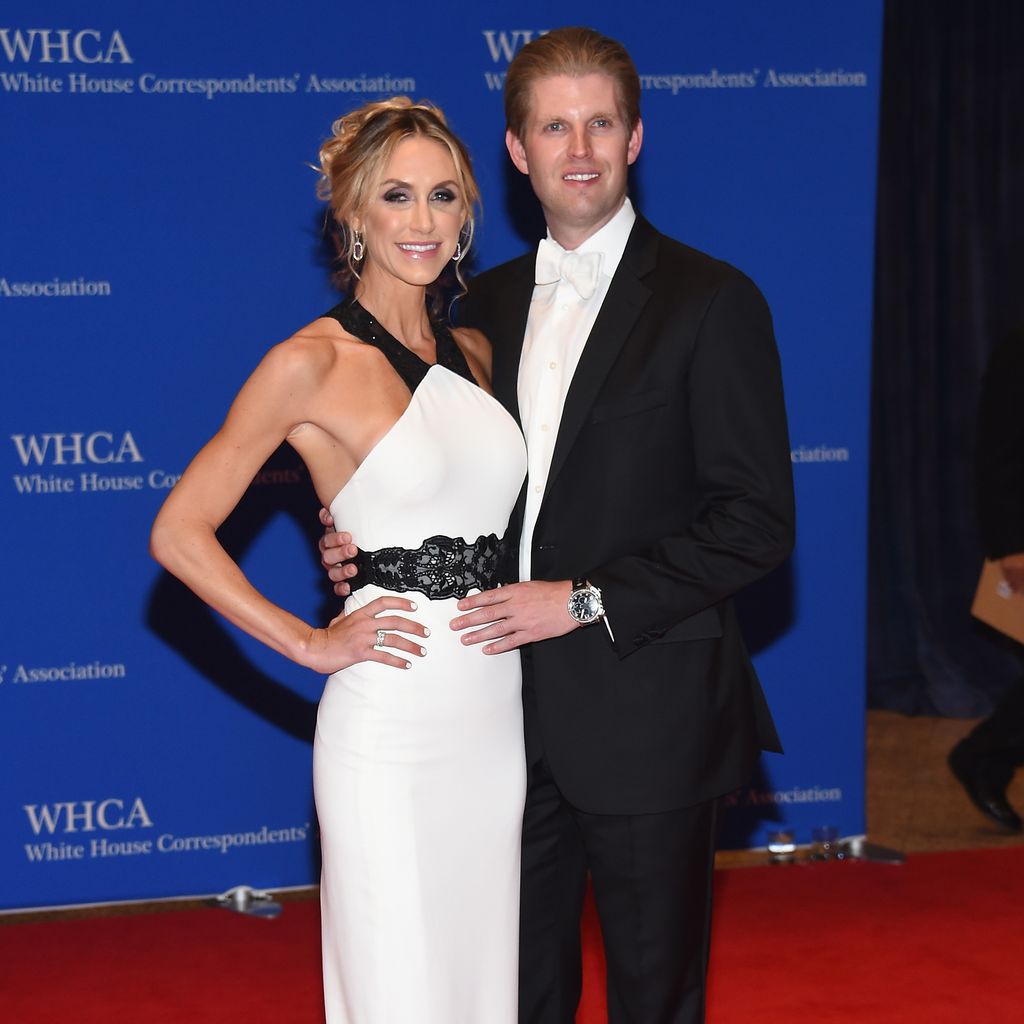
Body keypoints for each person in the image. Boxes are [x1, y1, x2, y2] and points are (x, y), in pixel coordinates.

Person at [322, 27, 795, 1023]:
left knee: (650, 996)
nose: (576, 149)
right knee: (510, 992)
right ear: (515, 150)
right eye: (552, 127)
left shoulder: (713, 301)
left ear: (633, 139)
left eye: (599, 124)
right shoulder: (475, 308)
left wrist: (585, 598)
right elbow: (459, 489)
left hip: (645, 710)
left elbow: (756, 523)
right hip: (488, 716)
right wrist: (373, 548)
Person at [150, 98, 527, 1023]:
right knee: (396, 977)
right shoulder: (306, 364)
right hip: (389, 717)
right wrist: (309, 642)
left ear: (467, 213)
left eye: (443, 196)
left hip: (493, 706)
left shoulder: (476, 355)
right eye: (396, 196)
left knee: (480, 974)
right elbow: (178, 533)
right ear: (353, 215)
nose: (423, 220)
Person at [948, 325, 1024, 832]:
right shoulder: (1017, 352)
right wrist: (1010, 553)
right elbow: (998, 462)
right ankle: (982, 757)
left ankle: (984, 758)